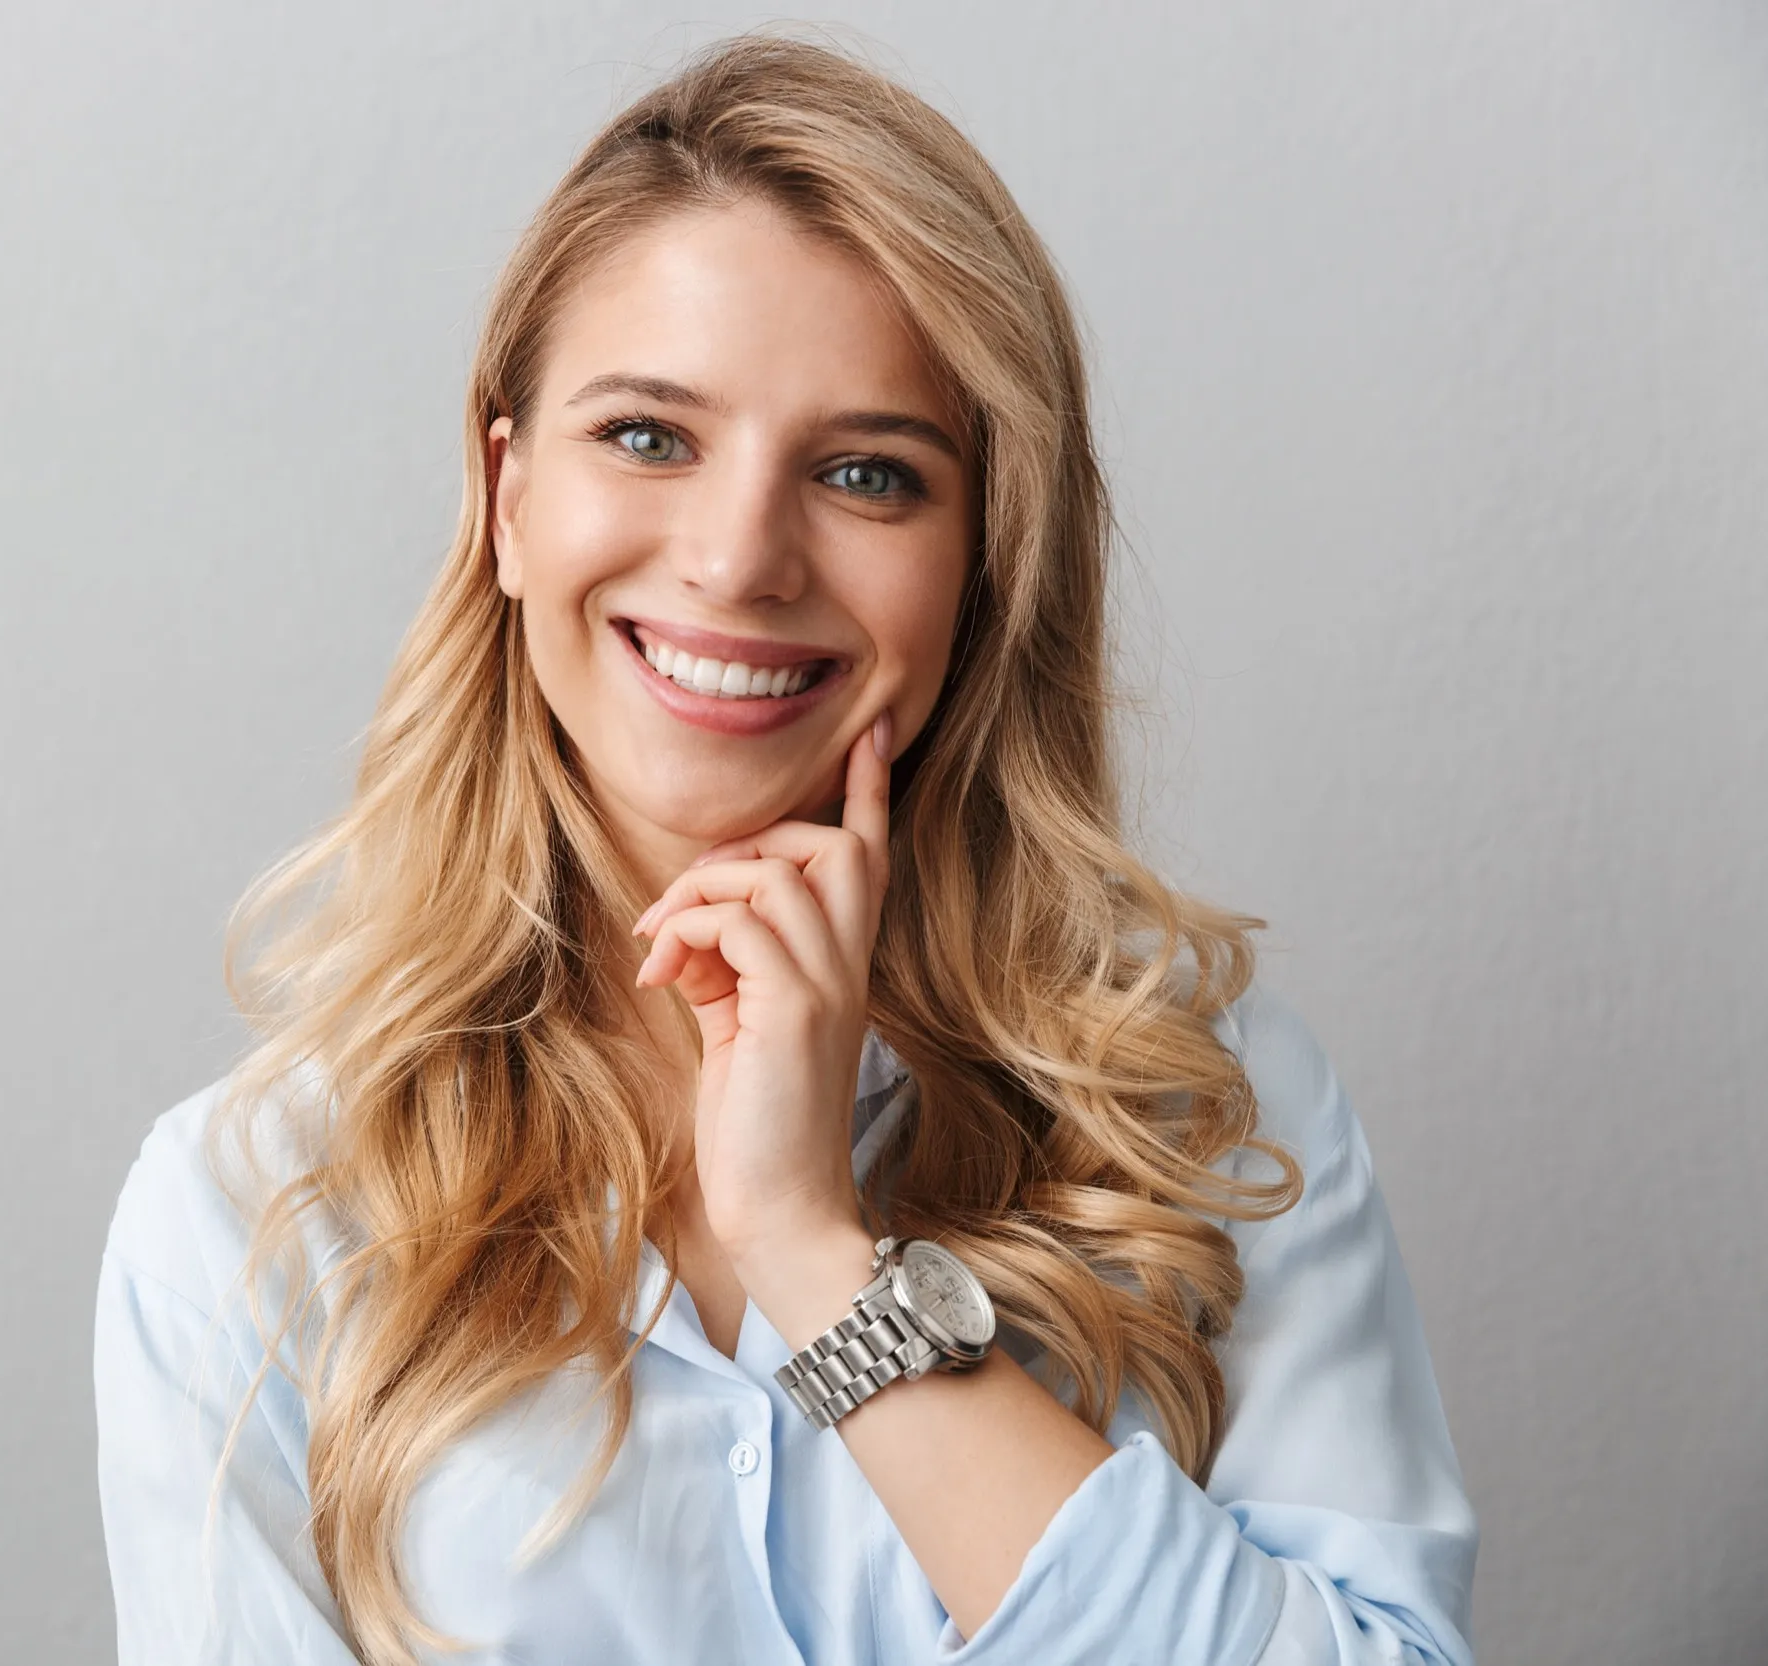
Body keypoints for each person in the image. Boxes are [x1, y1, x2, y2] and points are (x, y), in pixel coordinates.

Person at [94, 31, 1477, 1666]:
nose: (742, 557)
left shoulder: (1203, 1114)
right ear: (507, 490)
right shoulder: (254, 1213)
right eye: (649, 436)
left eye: (867, 472)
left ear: (984, 560)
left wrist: (824, 1260)